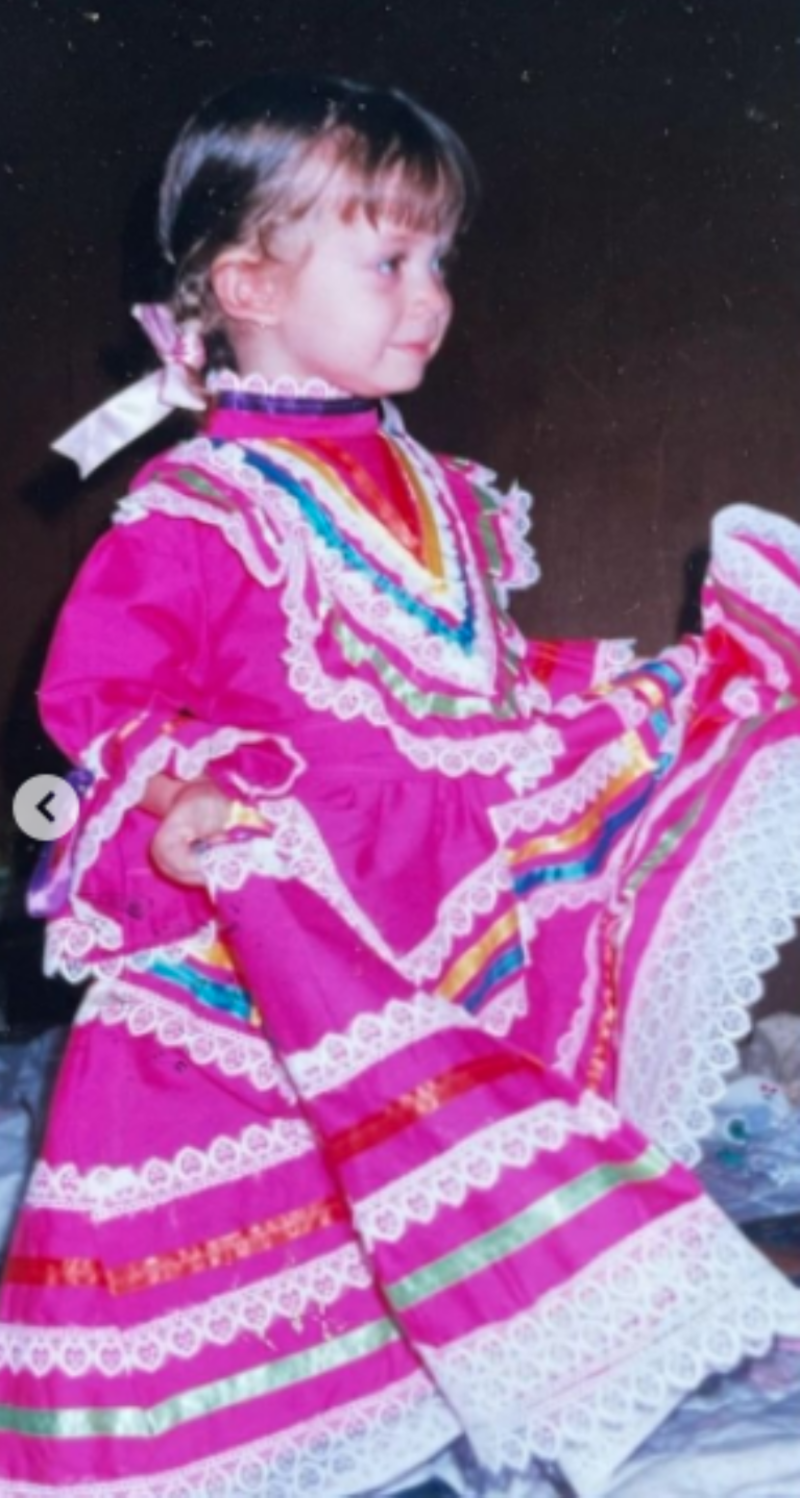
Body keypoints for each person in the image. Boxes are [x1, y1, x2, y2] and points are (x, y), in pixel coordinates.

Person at [0, 73, 798, 1498]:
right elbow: (100, 701)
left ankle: (453, 1373)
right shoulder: (200, 507)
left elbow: (460, 677)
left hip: (439, 894)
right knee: (277, 1183)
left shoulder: (445, 489)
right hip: (290, 927)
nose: (431, 295)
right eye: (388, 260)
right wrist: (177, 800)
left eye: (441, 258)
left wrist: (631, 687)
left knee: (458, 1147)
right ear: (249, 286)